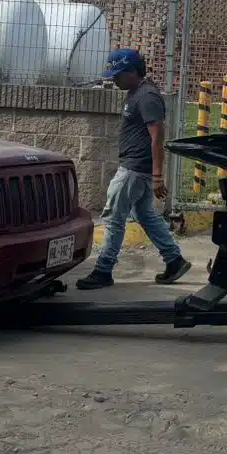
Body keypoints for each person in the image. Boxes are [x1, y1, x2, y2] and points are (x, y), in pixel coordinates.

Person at [76, 48, 192, 289]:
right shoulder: (136, 92)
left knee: (114, 217)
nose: (114, 79)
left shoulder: (147, 97)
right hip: (138, 168)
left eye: (118, 74)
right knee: (144, 213)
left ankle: (103, 270)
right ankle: (174, 259)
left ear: (132, 71)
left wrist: (158, 175)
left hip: (134, 169)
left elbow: (157, 137)